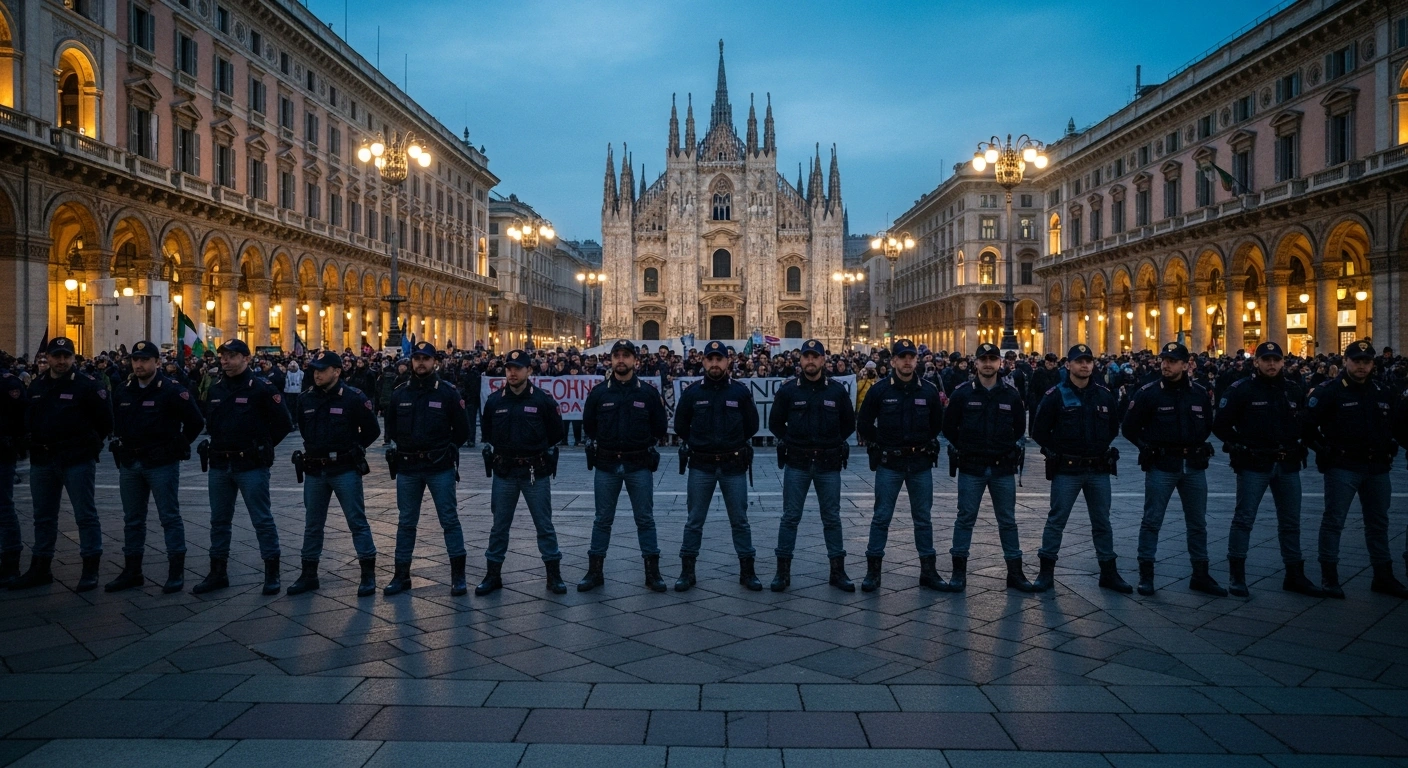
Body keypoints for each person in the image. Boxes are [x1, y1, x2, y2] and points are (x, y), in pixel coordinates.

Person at [1213, 341, 1324, 598]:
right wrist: (1239, 445)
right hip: (1254, 463)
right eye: (1266, 359)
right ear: (1257, 362)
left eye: (1276, 359)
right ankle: (1237, 575)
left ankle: (1294, 574)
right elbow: (1220, 425)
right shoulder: (1241, 389)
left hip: (1287, 463)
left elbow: (1304, 424)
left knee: (1291, 521)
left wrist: (1317, 446)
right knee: (1244, 519)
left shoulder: (1293, 389)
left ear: (1283, 362)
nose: (1271, 364)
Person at [1305, 340, 1408, 599]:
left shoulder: (1382, 391)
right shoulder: (1329, 391)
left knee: (1378, 523)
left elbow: (1397, 426)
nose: (1361, 366)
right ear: (1345, 362)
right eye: (1356, 361)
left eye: (1366, 361)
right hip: (1343, 465)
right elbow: (1306, 427)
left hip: (1377, 466)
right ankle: (1330, 576)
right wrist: (1322, 450)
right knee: (1334, 521)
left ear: (1373, 364)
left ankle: (1383, 575)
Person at [1122, 341, 1223, 597]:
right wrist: (1146, 447)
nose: (1165, 365)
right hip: (1162, 465)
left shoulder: (1199, 392)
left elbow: (1207, 424)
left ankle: (1200, 573)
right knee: (1152, 520)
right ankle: (1146, 574)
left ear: (1186, 364)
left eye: (1172, 361)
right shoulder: (1149, 392)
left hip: (1193, 466)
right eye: (1163, 360)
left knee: (1198, 522)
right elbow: (1129, 427)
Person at [194, 339, 293, 596]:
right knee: (219, 520)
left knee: (262, 519)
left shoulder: (261, 387)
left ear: (246, 359)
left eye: (231, 356)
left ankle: (272, 572)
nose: (225, 360)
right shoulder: (216, 388)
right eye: (223, 356)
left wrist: (264, 446)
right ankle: (217, 572)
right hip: (219, 462)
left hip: (250, 463)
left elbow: (283, 423)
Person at [11, 338, 111, 591]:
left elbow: (105, 421)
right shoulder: (37, 385)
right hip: (43, 460)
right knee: (43, 517)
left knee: (85, 515)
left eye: (66, 356)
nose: (62, 361)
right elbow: (28, 419)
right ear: (48, 357)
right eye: (57, 356)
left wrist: (90, 445)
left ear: (73, 357)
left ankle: (90, 567)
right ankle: (41, 566)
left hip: (76, 460)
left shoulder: (87, 386)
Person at [1031, 344, 1132, 593]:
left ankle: (1108, 571)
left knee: (1102, 522)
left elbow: (1112, 428)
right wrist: (1058, 450)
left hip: (1098, 469)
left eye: (1088, 361)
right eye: (1079, 361)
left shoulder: (1103, 394)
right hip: (1067, 468)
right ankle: (1046, 572)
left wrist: (1097, 447)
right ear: (1069, 365)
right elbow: (1039, 431)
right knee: (1056, 520)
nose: (1085, 365)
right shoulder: (1056, 394)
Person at [106, 341, 205, 594]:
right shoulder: (124, 389)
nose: (139, 364)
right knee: (132, 519)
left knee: (169, 517)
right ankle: (132, 570)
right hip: (130, 462)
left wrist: (178, 445)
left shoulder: (171, 389)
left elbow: (194, 421)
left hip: (160, 463)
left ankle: (175, 571)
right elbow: (115, 420)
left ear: (157, 363)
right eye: (135, 360)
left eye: (145, 360)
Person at [288, 350, 382, 597]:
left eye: (322, 370)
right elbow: (304, 429)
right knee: (312, 524)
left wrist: (355, 448)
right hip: (315, 470)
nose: (316, 374)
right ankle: (309, 574)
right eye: (315, 370)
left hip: (344, 469)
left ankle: (367, 574)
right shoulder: (306, 399)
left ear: (337, 372)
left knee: (356, 521)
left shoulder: (353, 397)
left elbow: (372, 430)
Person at [943, 343, 1035, 593]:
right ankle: (958, 573)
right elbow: (949, 427)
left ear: (999, 363)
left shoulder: (1011, 394)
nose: (988, 363)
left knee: (1007, 520)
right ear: (976, 362)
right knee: (965, 518)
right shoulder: (963, 393)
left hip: (1002, 467)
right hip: (971, 466)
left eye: (992, 359)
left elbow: (1018, 427)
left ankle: (1015, 573)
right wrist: (965, 446)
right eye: (983, 359)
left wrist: (1004, 446)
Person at [579, 340, 669, 592]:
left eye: (626, 356)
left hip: (638, 463)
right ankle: (595, 571)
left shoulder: (648, 393)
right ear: (610, 360)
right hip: (607, 464)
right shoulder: (599, 393)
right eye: (617, 355)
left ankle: (653, 573)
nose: (621, 360)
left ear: (635, 361)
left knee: (645, 519)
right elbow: (589, 425)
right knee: (602, 520)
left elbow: (660, 427)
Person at [856, 340, 945, 591]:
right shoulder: (880, 390)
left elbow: (937, 423)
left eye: (911, 357)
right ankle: (873, 572)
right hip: (890, 462)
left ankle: (928, 571)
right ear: (893, 361)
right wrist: (882, 442)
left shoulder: (927, 390)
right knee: (881, 517)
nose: (907, 361)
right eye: (902, 357)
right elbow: (863, 423)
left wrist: (922, 441)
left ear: (917, 360)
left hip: (919, 463)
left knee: (923, 518)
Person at [768, 339, 856, 592]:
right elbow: (775, 423)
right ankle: (782, 572)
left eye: (814, 356)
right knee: (790, 517)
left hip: (828, 463)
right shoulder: (788, 391)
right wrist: (790, 440)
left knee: (832, 517)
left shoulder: (837, 391)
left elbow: (849, 424)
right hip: (797, 461)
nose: (810, 361)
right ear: (800, 360)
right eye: (806, 356)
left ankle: (837, 572)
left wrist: (833, 442)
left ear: (822, 360)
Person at [384, 342, 471, 596]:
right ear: (411, 361)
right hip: (408, 467)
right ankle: (401, 575)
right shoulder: (400, 393)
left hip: (439, 466)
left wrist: (447, 449)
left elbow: (463, 430)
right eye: (417, 358)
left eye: (426, 358)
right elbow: (390, 426)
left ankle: (458, 576)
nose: (421, 362)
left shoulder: (447, 393)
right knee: (406, 522)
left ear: (436, 362)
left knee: (449, 520)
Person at [673, 340, 761, 592]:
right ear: (703, 362)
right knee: (694, 521)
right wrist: (699, 442)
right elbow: (680, 425)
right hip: (701, 465)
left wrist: (732, 440)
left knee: (740, 521)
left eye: (718, 359)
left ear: (728, 362)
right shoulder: (692, 393)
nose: (714, 363)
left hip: (733, 465)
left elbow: (752, 425)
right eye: (710, 359)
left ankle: (748, 571)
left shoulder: (740, 392)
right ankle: (687, 571)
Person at [478, 349, 567, 595]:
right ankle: (492, 574)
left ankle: (554, 575)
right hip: (505, 471)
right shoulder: (495, 401)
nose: (512, 372)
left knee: (544, 525)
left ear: (529, 370)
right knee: (499, 526)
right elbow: (488, 431)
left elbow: (556, 432)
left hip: (534, 471)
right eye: (509, 368)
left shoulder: (542, 400)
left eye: (518, 368)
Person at [0, 355, 25, 587]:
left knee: (4, 509)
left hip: (2, 453)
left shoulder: (9, 383)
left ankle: (10, 563)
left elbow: (20, 419)